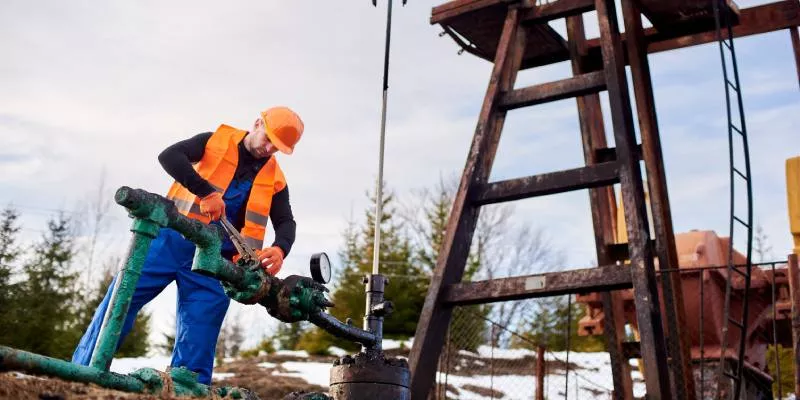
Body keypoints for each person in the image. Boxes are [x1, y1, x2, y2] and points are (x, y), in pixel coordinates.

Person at [72, 107, 302, 384]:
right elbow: (169, 156)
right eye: (267, 139)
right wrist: (205, 191)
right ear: (257, 124)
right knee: (121, 299)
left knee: (200, 331)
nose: (268, 148)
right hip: (170, 241)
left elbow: (286, 221)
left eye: (276, 147)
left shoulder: (276, 180)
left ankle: (186, 389)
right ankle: (81, 374)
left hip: (216, 262)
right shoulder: (213, 141)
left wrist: (280, 248)